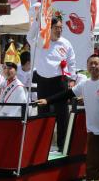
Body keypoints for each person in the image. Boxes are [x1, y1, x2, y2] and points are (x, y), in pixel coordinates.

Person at [37, 54, 99, 180]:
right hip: (93, 132)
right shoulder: (85, 84)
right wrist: (47, 100)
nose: (93, 66)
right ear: (87, 67)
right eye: (91, 64)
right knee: (92, 168)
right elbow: (67, 94)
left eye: (96, 63)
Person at [27, 12, 76, 152]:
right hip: (43, 82)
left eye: (61, 27)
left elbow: (72, 62)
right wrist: (37, 22)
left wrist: (72, 79)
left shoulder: (66, 43)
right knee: (43, 114)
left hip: (60, 82)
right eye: (56, 27)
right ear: (49, 28)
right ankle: (42, 147)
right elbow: (29, 37)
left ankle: (63, 146)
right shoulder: (41, 41)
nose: (59, 30)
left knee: (62, 116)